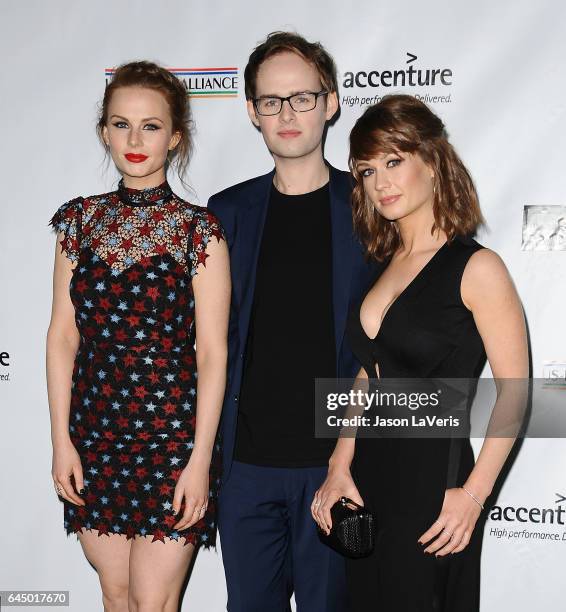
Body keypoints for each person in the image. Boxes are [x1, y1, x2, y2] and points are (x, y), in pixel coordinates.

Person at [311, 95, 529, 611]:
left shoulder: (476, 268)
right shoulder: (380, 264)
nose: (380, 181)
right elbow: (370, 372)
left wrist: (473, 495)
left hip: (435, 479)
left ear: (431, 163)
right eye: (367, 170)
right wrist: (340, 462)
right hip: (367, 480)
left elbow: (515, 395)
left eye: (394, 161)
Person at [46, 61, 230, 612]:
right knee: (117, 593)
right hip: (95, 435)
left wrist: (199, 461)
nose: (134, 139)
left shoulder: (201, 231)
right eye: (121, 124)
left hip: (170, 440)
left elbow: (213, 354)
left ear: (174, 138)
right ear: (104, 130)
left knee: (152, 603)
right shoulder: (76, 223)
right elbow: (61, 337)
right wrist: (61, 442)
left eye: (150, 126)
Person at [207, 32, 377, 611]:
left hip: (337, 466)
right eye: (271, 101)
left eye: (302, 98)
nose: (287, 114)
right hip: (245, 469)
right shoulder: (225, 213)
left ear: (330, 103)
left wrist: (343, 459)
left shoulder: (371, 209)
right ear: (253, 111)